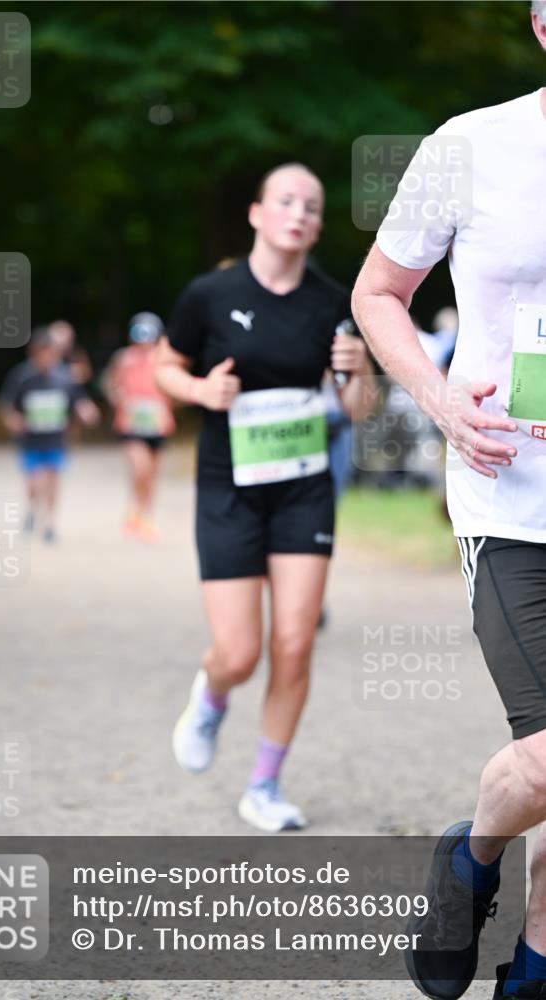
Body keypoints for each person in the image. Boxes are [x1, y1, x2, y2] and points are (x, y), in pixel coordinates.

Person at [352, 6, 546, 997]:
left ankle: (535, 971)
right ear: (540, 26)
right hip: (512, 498)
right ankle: (468, 856)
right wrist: (435, 400)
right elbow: (378, 291)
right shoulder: (469, 145)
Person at [155, 163, 375, 832]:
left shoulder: (333, 301)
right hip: (229, 489)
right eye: (285, 200)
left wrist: (358, 371)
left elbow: (357, 411)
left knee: (294, 642)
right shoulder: (210, 294)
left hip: (302, 489)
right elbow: (163, 365)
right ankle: (213, 691)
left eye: (311, 205)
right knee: (240, 652)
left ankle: (264, 785)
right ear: (256, 213)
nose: (299, 213)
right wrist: (199, 392)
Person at [0, 327, 99, 542]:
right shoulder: (22, 376)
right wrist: (13, 419)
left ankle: (50, 523)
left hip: (56, 439)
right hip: (30, 440)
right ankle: (33, 509)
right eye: (41, 353)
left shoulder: (64, 377)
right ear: (33, 353)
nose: (46, 358)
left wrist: (86, 411)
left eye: (49, 352)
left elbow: (78, 401)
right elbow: (6, 404)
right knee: (34, 483)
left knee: (52, 480)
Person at [102, 312, 176, 542]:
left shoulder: (165, 358)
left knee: (151, 474)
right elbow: (108, 383)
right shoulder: (123, 358)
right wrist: (117, 396)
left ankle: (146, 516)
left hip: (158, 423)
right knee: (139, 469)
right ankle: (136, 508)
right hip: (132, 423)